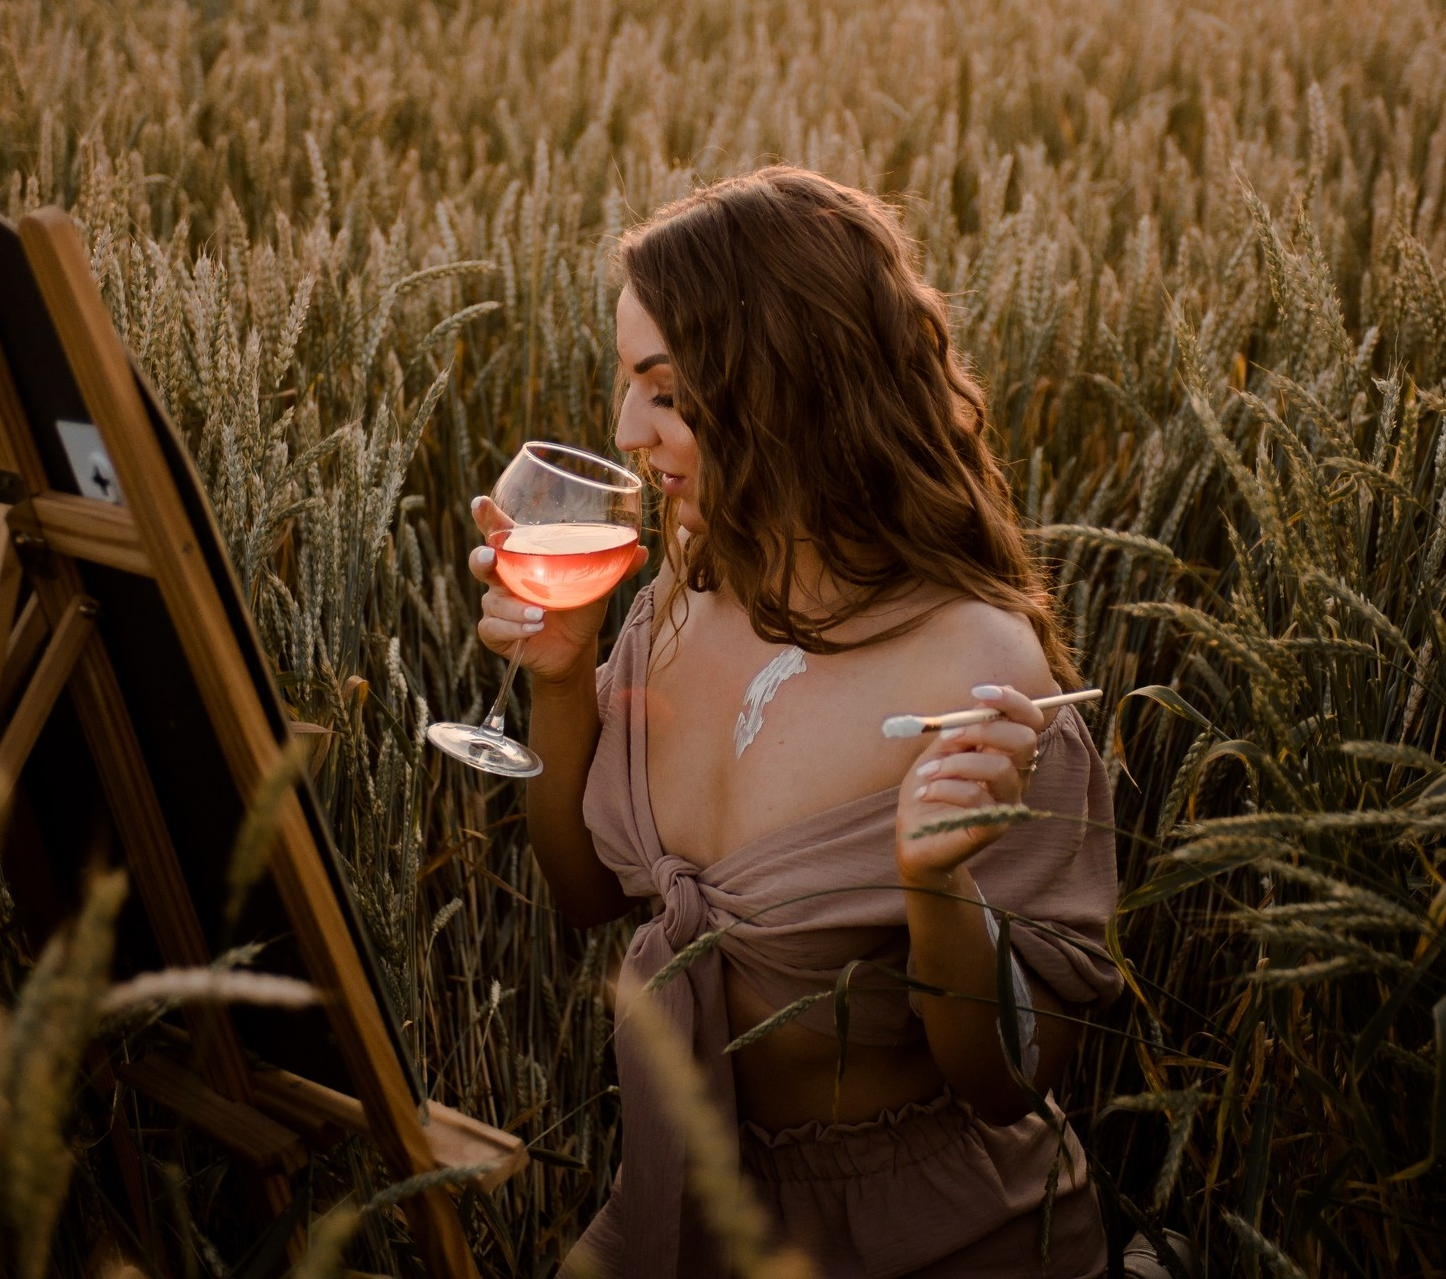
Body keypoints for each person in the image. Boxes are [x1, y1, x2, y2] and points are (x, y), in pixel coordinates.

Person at [468, 166, 1120, 1279]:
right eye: (627, 382)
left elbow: (1011, 1076)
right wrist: (561, 681)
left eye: (666, 391)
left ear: (789, 386)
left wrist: (937, 883)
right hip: (673, 1209)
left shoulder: (976, 664)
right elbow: (586, 898)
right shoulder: (685, 585)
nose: (627, 428)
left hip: (929, 1242)